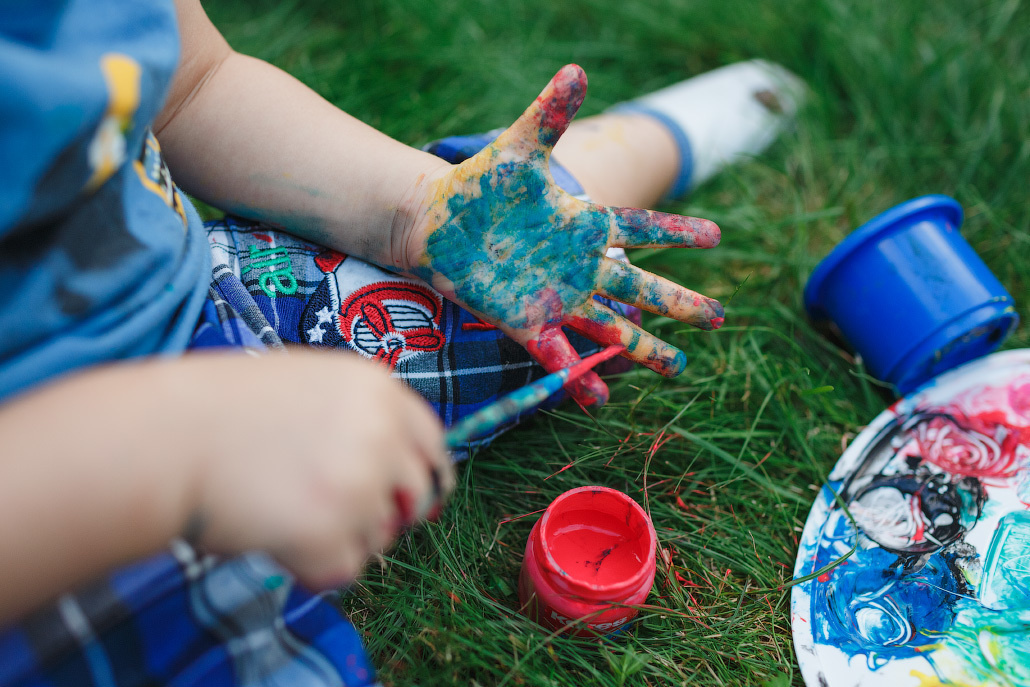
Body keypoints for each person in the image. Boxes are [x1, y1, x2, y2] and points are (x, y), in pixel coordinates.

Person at [0, 0, 803, 684]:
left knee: (535, 286)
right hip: (57, 566)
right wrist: (185, 456)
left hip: (202, 301)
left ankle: (720, 111)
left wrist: (417, 211)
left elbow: (192, 86)